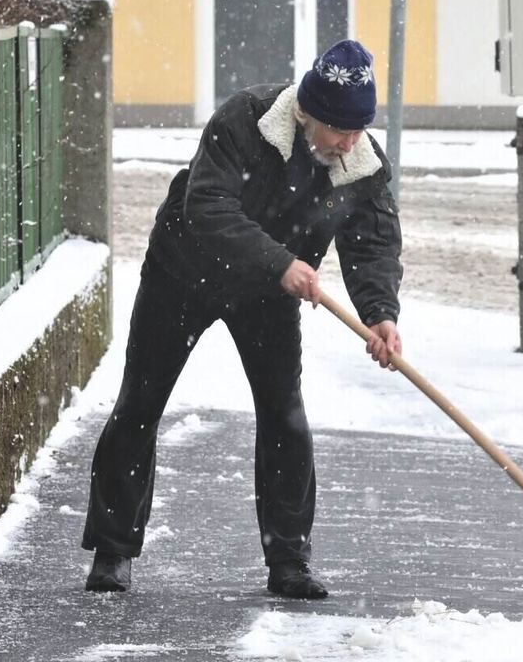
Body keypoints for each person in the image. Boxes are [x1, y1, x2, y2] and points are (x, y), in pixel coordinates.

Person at [82, 40, 403, 599]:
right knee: (140, 403)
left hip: (268, 294)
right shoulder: (245, 120)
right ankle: (113, 552)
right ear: (306, 112)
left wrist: (380, 314)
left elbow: (372, 245)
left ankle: (289, 560)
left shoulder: (362, 161)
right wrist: (281, 262)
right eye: (337, 130)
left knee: (284, 414)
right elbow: (206, 205)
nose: (348, 143)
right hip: (182, 274)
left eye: (357, 131)